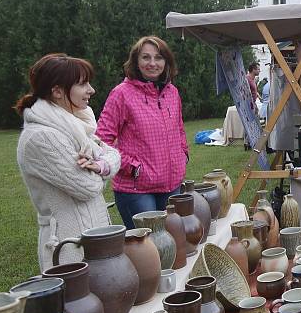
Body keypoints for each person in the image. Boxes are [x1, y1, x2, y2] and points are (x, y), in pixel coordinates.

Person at [15, 54, 121, 270]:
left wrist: (101, 165)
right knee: (78, 303)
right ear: (57, 91)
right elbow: (88, 187)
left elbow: (114, 154)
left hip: (95, 238)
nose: (91, 90)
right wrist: (104, 170)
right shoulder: (42, 137)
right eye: (83, 84)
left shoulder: (76, 125)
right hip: (67, 251)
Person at [96, 36, 188, 228]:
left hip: (172, 185)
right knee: (148, 248)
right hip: (136, 190)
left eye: (158, 57)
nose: (152, 63)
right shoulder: (121, 94)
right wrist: (132, 166)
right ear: (136, 61)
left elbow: (179, 128)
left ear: (166, 61)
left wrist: (183, 153)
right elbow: (101, 140)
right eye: (146, 57)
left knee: (173, 243)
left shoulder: (172, 92)